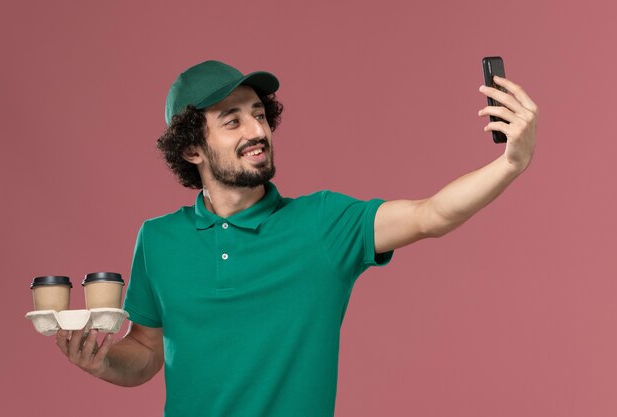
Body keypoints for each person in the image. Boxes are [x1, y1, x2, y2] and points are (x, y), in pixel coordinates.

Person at [55, 60, 538, 416]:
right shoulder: (158, 239)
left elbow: (432, 214)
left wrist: (510, 163)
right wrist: (99, 362)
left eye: (259, 114)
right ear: (190, 149)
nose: (257, 129)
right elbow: (144, 354)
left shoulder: (323, 223)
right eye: (233, 120)